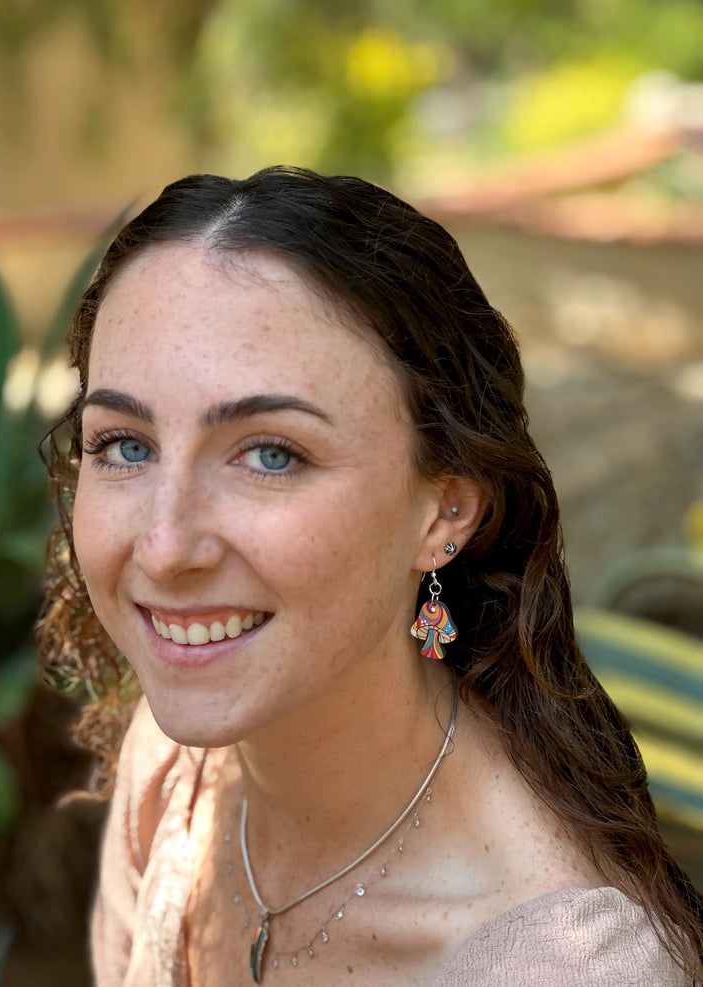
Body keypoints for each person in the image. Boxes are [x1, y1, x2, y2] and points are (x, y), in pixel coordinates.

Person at [39, 166, 703, 986]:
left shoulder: (563, 965)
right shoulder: (173, 769)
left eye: (271, 454)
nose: (166, 547)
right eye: (124, 445)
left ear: (445, 512)